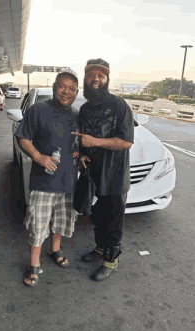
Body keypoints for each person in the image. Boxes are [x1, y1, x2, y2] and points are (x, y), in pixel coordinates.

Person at [14, 68, 80, 287]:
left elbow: (77, 144)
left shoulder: (76, 116)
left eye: (71, 88)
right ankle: (34, 263)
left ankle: (54, 250)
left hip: (68, 181)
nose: (66, 91)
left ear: (76, 92)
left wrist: (80, 154)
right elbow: (23, 137)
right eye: (62, 86)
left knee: (61, 222)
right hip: (43, 181)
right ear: (54, 87)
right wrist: (39, 157)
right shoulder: (38, 110)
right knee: (38, 224)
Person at [73, 58, 134, 282]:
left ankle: (111, 260)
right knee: (98, 217)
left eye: (100, 75)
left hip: (115, 176)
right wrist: (81, 155)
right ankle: (100, 249)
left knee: (113, 220)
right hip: (93, 175)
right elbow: (82, 141)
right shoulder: (85, 109)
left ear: (107, 79)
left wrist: (95, 142)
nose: (95, 79)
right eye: (91, 75)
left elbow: (126, 142)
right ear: (86, 78)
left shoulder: (119, 105)